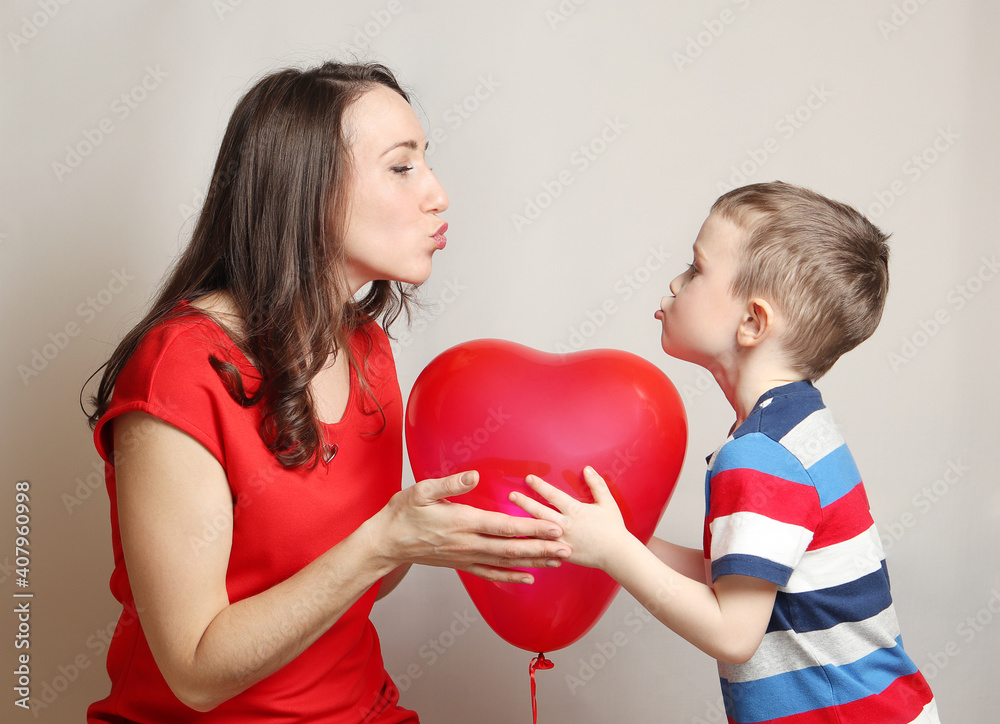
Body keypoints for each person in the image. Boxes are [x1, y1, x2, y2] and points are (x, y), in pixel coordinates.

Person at [82, 61, 569, 723]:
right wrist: (388, 539)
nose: (438, 194)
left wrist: (430, 535)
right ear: (306, 188)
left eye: (427, 162)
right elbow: (196, 673)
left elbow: (365, 569)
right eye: (402, 167)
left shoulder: (367, 350)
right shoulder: (179, 367)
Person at [512, 182, 940, 723]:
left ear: (753, 322)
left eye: (695, 269)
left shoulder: (760, 456)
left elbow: (732, 634)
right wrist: (623, 536)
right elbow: (733, 578)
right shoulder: (796, 427)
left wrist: (613, 552)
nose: (675, 281)